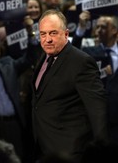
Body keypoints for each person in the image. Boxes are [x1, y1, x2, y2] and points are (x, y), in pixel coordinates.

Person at [30, 9, 108, 162]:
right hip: (43, 148)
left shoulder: (81, 62)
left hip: (70, 151)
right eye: (43, 34)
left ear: (66, 34)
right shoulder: (44, 58)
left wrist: (102, 150)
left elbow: (97, 108)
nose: (47, 39)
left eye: (53, 33)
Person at [82, 15, 118, 150]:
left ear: (114, 30)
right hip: (96, 117)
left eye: (103, 27)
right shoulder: (88, 53)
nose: (98, 30)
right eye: (97, 27)